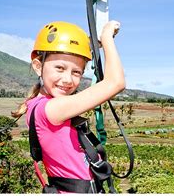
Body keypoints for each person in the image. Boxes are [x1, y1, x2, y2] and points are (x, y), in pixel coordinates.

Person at [12, 20, 125, 193]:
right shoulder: (50, 109)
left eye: (76, 72)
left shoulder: (38, 103)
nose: (67, 79)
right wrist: (107, 37)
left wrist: (95, 43)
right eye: (59, 68)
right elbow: (116, 83)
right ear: (38, 67)